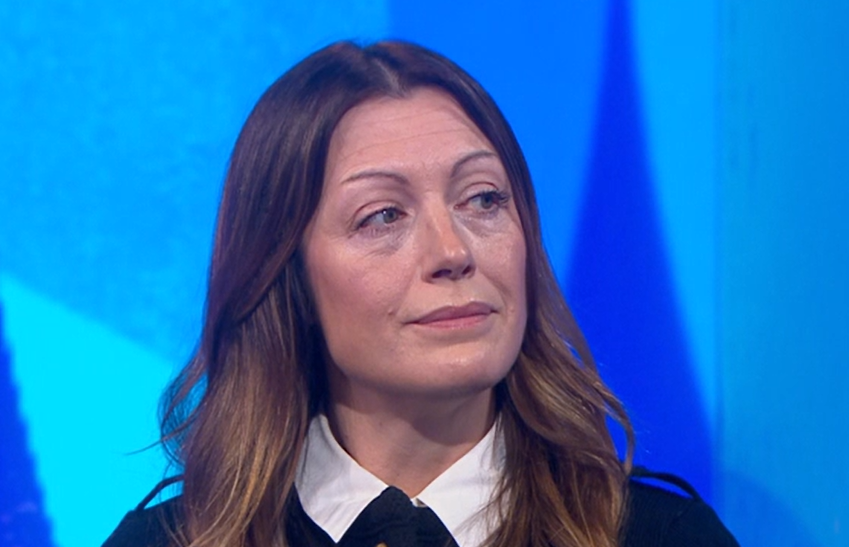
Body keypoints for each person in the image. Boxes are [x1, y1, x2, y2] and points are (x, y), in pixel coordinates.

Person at [103, 40, 739, 547]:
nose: (453, 252)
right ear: (286, 278)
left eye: (483, 199)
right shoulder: (170, 543)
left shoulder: (664, 537)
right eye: (383, 215)